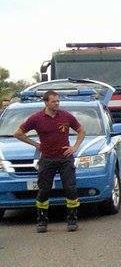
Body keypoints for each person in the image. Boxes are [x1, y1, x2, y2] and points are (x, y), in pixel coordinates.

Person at [13, 90, 85, 233]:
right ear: (46, 102)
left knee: (70, 189)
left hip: (65, 158)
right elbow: (18, 133)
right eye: (54, 101)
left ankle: (72, 220)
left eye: (58, 101)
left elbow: (81, 130)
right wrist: (35, 144)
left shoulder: (66, 116)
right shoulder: (36, 118)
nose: (57, 103)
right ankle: (42, 221)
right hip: (47, 159)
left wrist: (75, 147)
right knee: (44, 191)